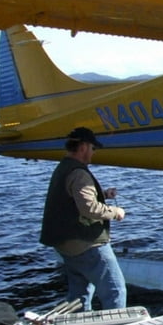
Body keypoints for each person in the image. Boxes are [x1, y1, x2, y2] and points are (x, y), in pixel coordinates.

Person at [40, 127, 127, 310]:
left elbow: (72, 198)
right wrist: (115, 211)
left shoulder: (63, 167)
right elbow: (89, 207)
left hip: (66, 245)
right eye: (93, 148)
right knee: (115, 291)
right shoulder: (80, 173)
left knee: (79, 296)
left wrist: (103, 194)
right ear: (83, 147)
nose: (93, 153)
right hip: (87, 244)